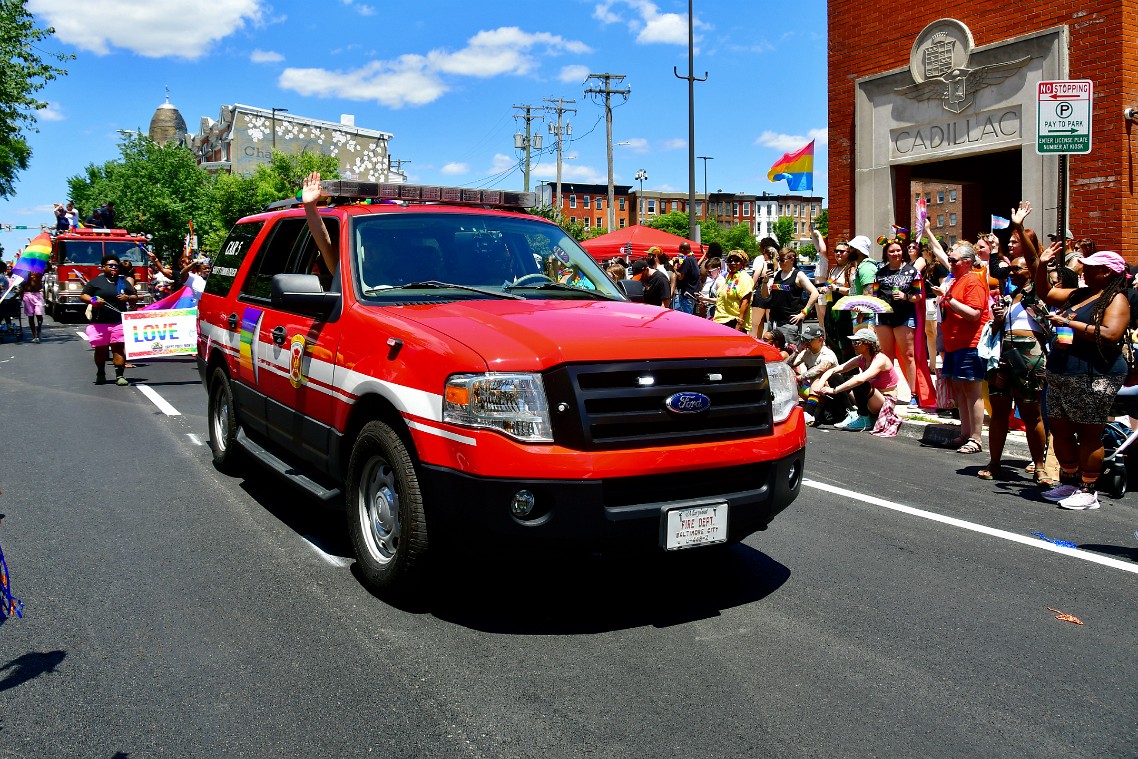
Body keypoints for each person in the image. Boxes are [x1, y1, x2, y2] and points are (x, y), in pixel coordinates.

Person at [1034, 244, 1131, 510]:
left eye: (1091, 268)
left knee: (1089, 432)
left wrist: (1070, 323)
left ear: (1107, 273)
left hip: (1095, 374)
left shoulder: (1116, 299)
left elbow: (1110, 334)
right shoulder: (1080, 294)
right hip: (1063, 371)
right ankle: (1069, 480)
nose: (1083, 271)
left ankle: (1089, 490)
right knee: (1061, 429)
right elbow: (1046, 292)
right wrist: (1042, 264)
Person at [936, 244, 991, 454]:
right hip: (953, 344)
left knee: (971, 391)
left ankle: (976, 438)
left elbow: (974, 314)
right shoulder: (954, 281)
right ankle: (965, 433)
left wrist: (948, 298)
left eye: (954, 260)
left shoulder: (973, 280)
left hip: (970, 343)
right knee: (959, 391)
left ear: (967, 262)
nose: (950, 263)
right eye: (950, 260)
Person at [817, 329, 900, 431]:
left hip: (883, 400)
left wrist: (834, 390)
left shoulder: (880, 359)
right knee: (836, 378)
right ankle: (852, 413)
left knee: (859, 381)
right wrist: (820, 384)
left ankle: (865, 418)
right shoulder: (861, 359)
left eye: (857, 342)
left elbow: (860, 380)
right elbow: (833, 370)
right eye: (853, 342)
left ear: (868, 344)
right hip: (869, 397)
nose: (854, 345)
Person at [80, 254, 138, 385]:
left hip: (118, 322)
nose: (114, 268)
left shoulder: (123, 282)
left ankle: (120, 376)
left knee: (118, 348)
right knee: (101, 350)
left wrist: (127, 298)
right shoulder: (96, 282)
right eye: (110, 266)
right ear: (103, 267)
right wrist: (93, 300)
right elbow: (83, 296)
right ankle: (100, 372)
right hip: (99, 322)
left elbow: (135, 296)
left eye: (116, 266)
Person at [759, 246, 819, 339]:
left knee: (789, 351)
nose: (780, 262)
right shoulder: (777, 274)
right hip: (773, 320)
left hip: (789, 323)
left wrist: (803, 313)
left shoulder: (798, 275)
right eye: (779, 259)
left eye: (783, 260)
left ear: (792, 259)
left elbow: (815, 293)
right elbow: (765, 295)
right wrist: (765, 281)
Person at [791, 324, 838, 425]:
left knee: (816, 377)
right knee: (789, 374)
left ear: (820, 340)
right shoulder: (806, 352)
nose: (806, 342)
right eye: (804, 339)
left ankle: (808, 413)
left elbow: (819, 369)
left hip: (831, 393)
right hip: (813, 392)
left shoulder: (827, 354)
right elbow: (788, 365)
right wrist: (796, 351)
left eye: (809, 339)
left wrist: (798, 378)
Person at [822, 239, 856, 360]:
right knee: (831, 337)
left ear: (849, 253)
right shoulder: (833, 270)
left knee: (845, 340)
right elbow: (828, 286)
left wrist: (836, 289)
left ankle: (850, 369)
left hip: (844, 309)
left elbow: (852, 291)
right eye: (836, 251)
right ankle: (838, 367)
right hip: (831, 306)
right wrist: (825, 289)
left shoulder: (850, 270)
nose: (838, 254)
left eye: (842, 251)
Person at [713, 250, 754, 333]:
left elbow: (745, 302)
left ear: (742, 263)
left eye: (737, 260)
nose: (733, 263)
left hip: (733, 321)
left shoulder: (745, 278)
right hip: (721, 320)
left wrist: (739, 324)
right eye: (730, 260)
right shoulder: (730, 276)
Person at [811, 229, 830, 338]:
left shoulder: (827, 256)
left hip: (823, 287)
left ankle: (826, 337)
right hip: (817, 287)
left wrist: (819, 235)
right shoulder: (821, 256)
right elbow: (817, 246)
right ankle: (822, 336)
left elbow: (822, 249)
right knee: (819, 316)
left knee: (823, 315)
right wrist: (812, 233)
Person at [673, 241, 701, 314]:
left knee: (686, 317)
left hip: (686, 294)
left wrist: (674, 268)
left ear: (682, 250)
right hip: (693, 293)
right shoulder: (693, 259)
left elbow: (680, 277)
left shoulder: (687, 260)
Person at [20, 272, 44, 343]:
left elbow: (48, 268)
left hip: (37, 296)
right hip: (27, 296)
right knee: (31, 316)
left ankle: (39, 329)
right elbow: (22, 289)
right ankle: (35, 336)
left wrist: (47, 261)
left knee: (39, 314)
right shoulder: (25, 276)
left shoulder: (39, 274)